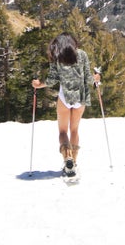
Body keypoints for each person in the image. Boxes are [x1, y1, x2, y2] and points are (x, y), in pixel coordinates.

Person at [32, 32, 101, 177]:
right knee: (74, 130)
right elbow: (89, 78)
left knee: (63, 131)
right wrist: (96, 77)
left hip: (65, 97)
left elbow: (51, 80)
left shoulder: (57, 58)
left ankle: (67, 157)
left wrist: (38, 84)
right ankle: (73, 162)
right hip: (80, 97)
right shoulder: (82, 54)